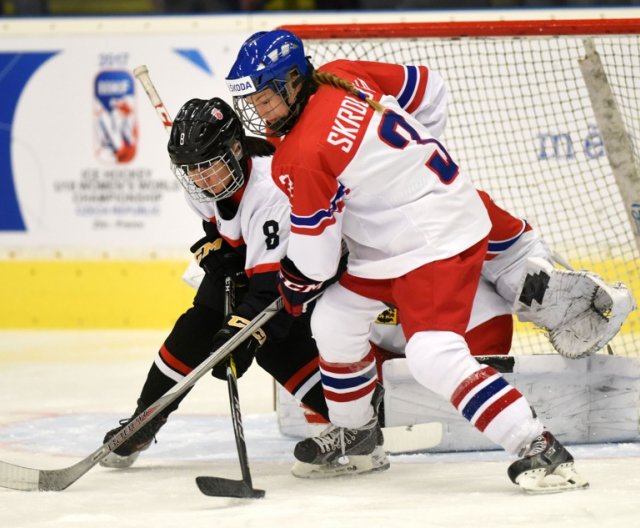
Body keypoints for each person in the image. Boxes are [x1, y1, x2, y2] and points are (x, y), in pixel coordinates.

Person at [225, 29, 591, 492]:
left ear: (294, 81)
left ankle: (539, 448)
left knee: (432, 354)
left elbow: (315, 263)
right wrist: (409, 171)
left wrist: (292, 284)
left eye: (265, 98)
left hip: (434, 243)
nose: (260, 111)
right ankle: (357, 435)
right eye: (253, 101)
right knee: (336, 319)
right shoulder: (341, 74)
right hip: (400, 238)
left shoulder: (299, 154)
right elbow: (430, 88)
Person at [100, 97, 332, 468]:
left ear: (236, 149)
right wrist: (218, 247)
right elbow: (217, 222)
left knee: (273, 342)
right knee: (198, 323)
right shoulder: (207, 181)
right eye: (191, 170)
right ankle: (145, 420)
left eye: (208, 167)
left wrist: (240, 333)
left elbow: (269, 287)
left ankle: (358, 421)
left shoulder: (269, 190)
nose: (200, 178)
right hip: (262, 263)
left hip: (313, 268)